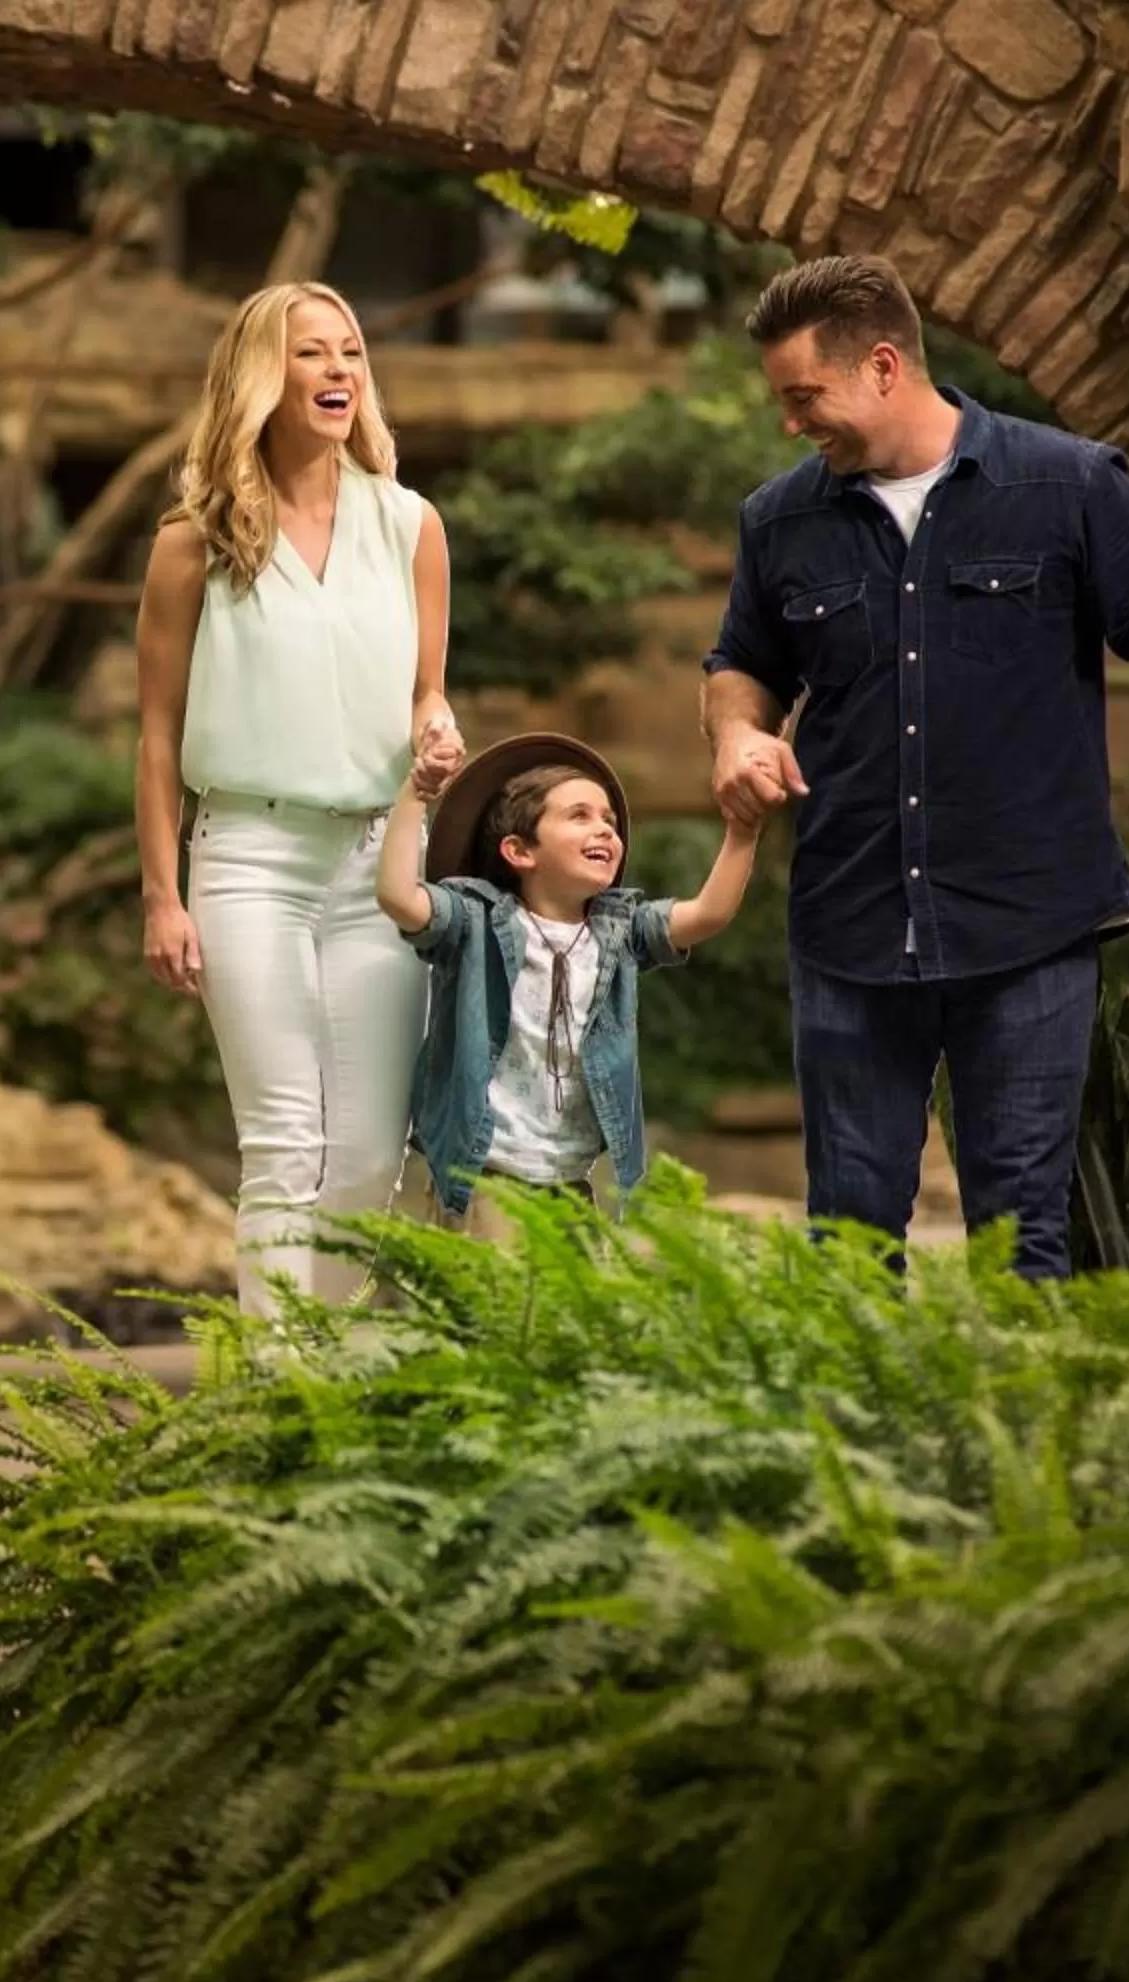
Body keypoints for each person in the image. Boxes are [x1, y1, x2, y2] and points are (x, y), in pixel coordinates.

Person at [701, 254, 1129, 1279]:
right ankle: (856, 1443)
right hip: (850, 930)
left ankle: (1019, 1441)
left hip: (1029, 927)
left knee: (1024, 1242)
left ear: (883, 365)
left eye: (805, 397)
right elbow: (742, 663)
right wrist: (738, 734)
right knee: (846, 1247)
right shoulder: (777, 519)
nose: (792, 424)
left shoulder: (1068, 486)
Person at [134, 280, 468, 1315]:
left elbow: (424, 690)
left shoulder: (410, 524)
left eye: (351, 352)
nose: (337, 371)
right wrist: (160, 894)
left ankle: (319, 1365)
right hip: (245, 858)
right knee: (283, 1138)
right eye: (311, 353)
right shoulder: (194, 542)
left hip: (381, 862)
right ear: (260, 378)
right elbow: (153, 730)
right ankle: (276, 1396)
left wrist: (438, 730)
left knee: (369, 1155)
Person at [376, 731, 760, 1222]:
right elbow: (399, 897)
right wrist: (415, 794)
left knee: (571, 1299)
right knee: (489, 1300)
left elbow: (706, 915)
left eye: (610, 821)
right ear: (519, 851)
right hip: (485, 1177)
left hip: (570, 1183)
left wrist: (742, 833)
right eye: (579, 816)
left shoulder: (618, 932)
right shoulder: (475, 921)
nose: (605, 830)